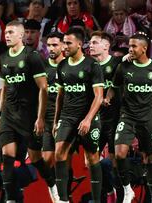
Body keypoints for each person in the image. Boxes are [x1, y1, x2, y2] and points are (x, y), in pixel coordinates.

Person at [0, 20, 55, 203]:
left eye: (11, 32)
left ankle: (52, 183)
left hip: (29, 115)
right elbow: (5, 88)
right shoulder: (4, 58)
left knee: (36, 158)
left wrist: (40, 117)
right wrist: (0, 114)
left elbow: (43, 88)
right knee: (7, 155)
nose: (7, 35)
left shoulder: (32, 56)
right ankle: (10, 199)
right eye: (6, 32)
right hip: (9, 113)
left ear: (21, 35)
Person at [104, 32, 152, 203]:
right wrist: (108, 98)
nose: (130, 49)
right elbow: (114, 87)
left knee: (150, 159)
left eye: (133, 46)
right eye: (129, 46)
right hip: (127, 116)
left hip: (148, 118)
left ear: (144, 48)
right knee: (120, 154)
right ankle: (127, 190)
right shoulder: (124, 67)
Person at [53, 27, 104, 203]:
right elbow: (60, 95)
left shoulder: (92, 65)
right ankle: (63, 199)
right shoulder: (62, 66)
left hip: (87, 117)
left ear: (80, 44)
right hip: (67, 117)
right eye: (64, 43)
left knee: (91, 157)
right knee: (59, 154)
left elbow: (99, 96)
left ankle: (97, 200)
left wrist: (88, 119)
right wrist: (56, 121)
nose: (64, 46)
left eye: (68, 43)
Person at [89, 30, 122, 202]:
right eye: (90, 43)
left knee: (115, 162)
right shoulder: (88, 67)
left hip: (115, 120)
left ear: (106, 46)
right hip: (96, 120)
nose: (90, 46)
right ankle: (108, 191)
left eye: (95, 43)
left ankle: (120, 196)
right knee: (90, 162)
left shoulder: (117, 64)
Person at [42, 31, 66, 202]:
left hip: (66, 119)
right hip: (46, 119)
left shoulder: (69, 66)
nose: (51, 48)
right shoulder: (42, 68)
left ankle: (64, 196)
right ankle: (55, 188)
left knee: (62, 158)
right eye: (49, 45)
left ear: (64, 46)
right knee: (47, 159)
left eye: (55, 45)